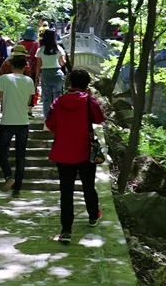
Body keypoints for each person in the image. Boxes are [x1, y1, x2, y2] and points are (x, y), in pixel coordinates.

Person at [46, 69, 105, 244]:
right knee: (88, 186)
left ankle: (66, 231)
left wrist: (63, 133)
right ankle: (93, 215)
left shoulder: (59, 101)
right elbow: (100, 118)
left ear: (70, 82)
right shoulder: (88, 100)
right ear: (87, 84)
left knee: (66, 191)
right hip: (85, 150)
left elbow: (50, 123)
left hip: (63, 151)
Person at [0, 54, 35, 198]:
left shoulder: (4, 78)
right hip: (23, 122)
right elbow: (29, 101)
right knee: (20, 155)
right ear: (25, 67)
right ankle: (17, 188)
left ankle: (8, 176)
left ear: (11, 66)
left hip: (7, 121)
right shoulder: (29, 81)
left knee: (2, 151)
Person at [36, 28, 67, 120]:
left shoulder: (40, 49)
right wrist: (64, 56)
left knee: (46, 98)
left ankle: (47, 118)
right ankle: (57, 116)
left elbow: (38, 64)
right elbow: (62, 63)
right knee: (57, 97)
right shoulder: (58, 48)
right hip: (57, 73)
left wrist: (37, 76)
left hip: (45, 73)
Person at [17, 26, 40, 114]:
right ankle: (29, 108)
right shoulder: (36, 44)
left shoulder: (20, 44)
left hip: (20, 69)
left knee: (20, 87)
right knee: (31, 88)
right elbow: (38, 59)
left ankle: (20, 105)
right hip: (33, 70)